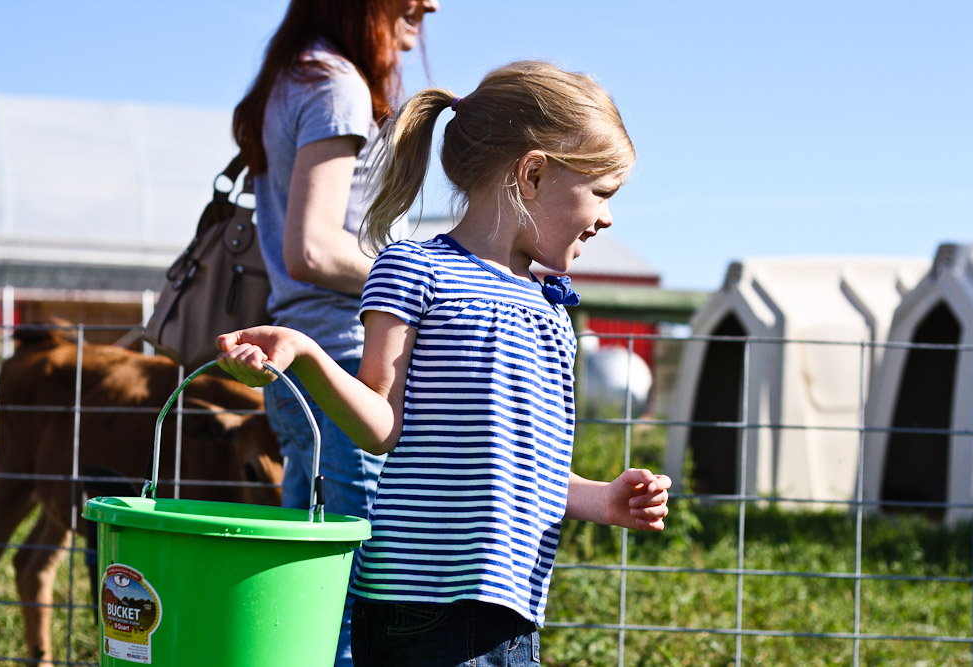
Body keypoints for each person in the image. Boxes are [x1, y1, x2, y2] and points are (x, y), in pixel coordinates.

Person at [217, 60, 672, 667]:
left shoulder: (551, 310)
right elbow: (380, 424)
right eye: (601, 193)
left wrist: (602, 500)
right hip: (417, 606)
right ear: (532, 174)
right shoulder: (416, 270)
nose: (608, 217)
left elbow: (522, 468)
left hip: (508, 614)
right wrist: (305, 354)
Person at [230, 1, 438, 664]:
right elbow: (313, 249)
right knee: (356, 602)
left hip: (306, 365)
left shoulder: (299, 74)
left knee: (309, 595)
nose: (431, 4)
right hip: (345, 365)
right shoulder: (337, 86)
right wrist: (417, 277)